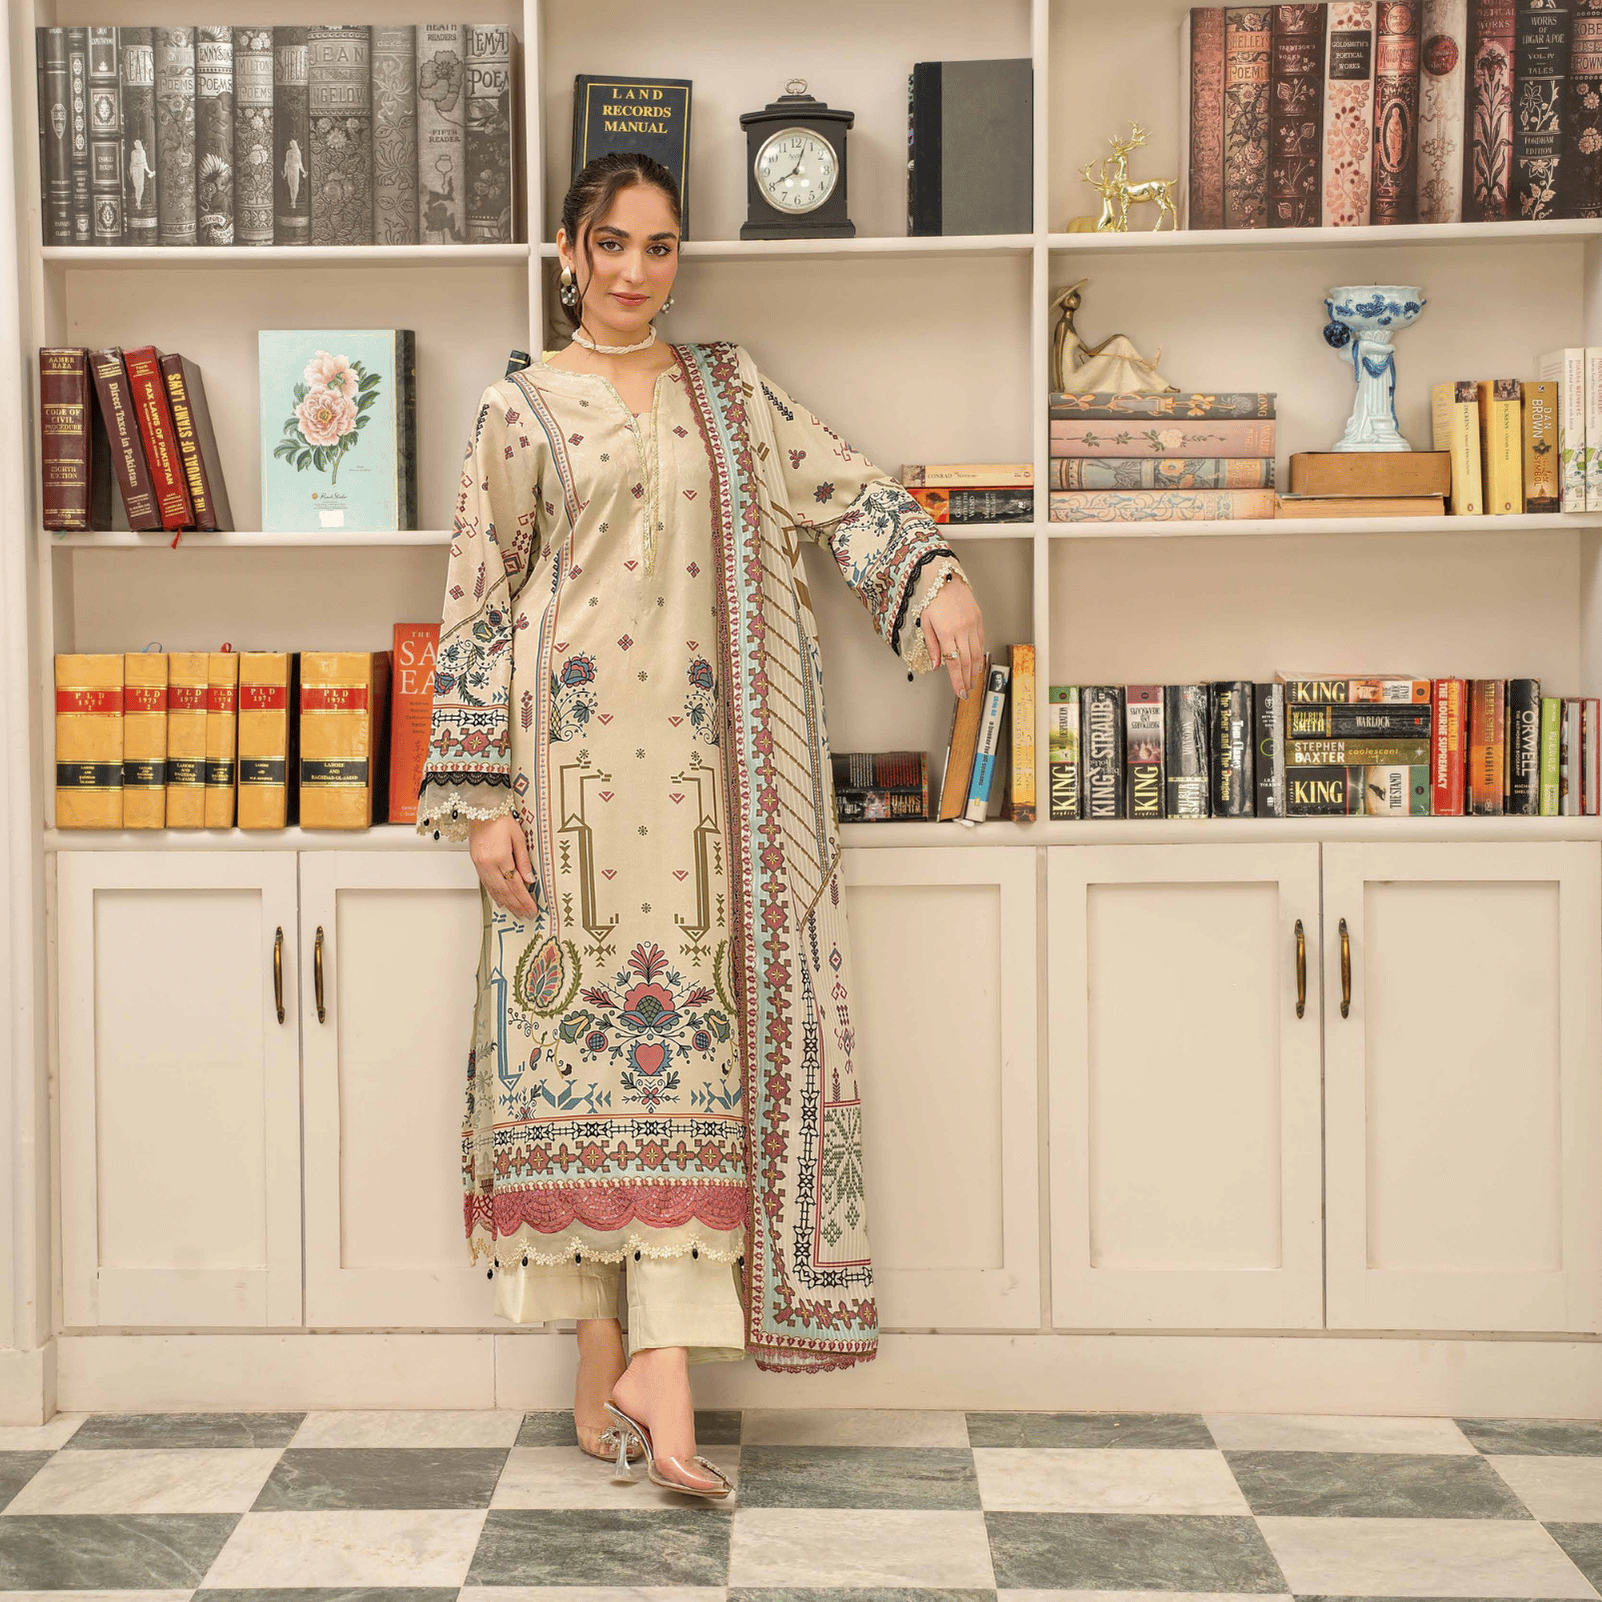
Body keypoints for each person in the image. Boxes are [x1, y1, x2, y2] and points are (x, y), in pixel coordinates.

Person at [415, 152, 985, 1496]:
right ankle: (613, 1355)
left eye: (658, 247)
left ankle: (649, 1368)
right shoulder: (517, 408)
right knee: (580, 1076)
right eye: (609, 244)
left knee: (682, 1081)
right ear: (566, 250)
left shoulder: (726, 394)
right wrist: (481, 799)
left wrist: (937, 576)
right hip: (564, 805)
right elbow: (477, 604)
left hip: (702, 801)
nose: (632, 271)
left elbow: (845, 489)